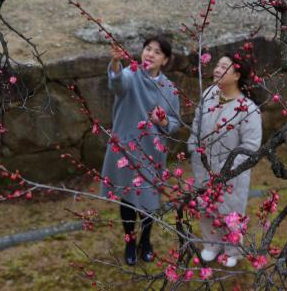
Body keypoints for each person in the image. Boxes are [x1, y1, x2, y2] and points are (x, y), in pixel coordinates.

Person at [100, 36, 180, 266]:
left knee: (148, 200)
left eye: (157, 52)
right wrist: (115, 63)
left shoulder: (169, 89)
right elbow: (117, 82)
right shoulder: (131, 75)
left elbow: (175, 124)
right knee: (127, 199)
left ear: (164, 60)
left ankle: (145, 240)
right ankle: (129, 240)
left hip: (152, 153)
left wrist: (163, 122)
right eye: (148, 49)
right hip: (126, 149)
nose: (150, 54)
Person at [187, 53, 262, 268]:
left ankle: (232, 249)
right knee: (204, 207)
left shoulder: (248, 109)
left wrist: (225, 170)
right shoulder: (209, 94)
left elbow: (250, 147)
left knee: (230, 211)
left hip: (231, 175)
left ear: (237, 75)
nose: (217, 69)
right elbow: (196, 123)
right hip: (202, 165)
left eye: (224, 67)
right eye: (217, 65)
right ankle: (212, 244)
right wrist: (193, 146)